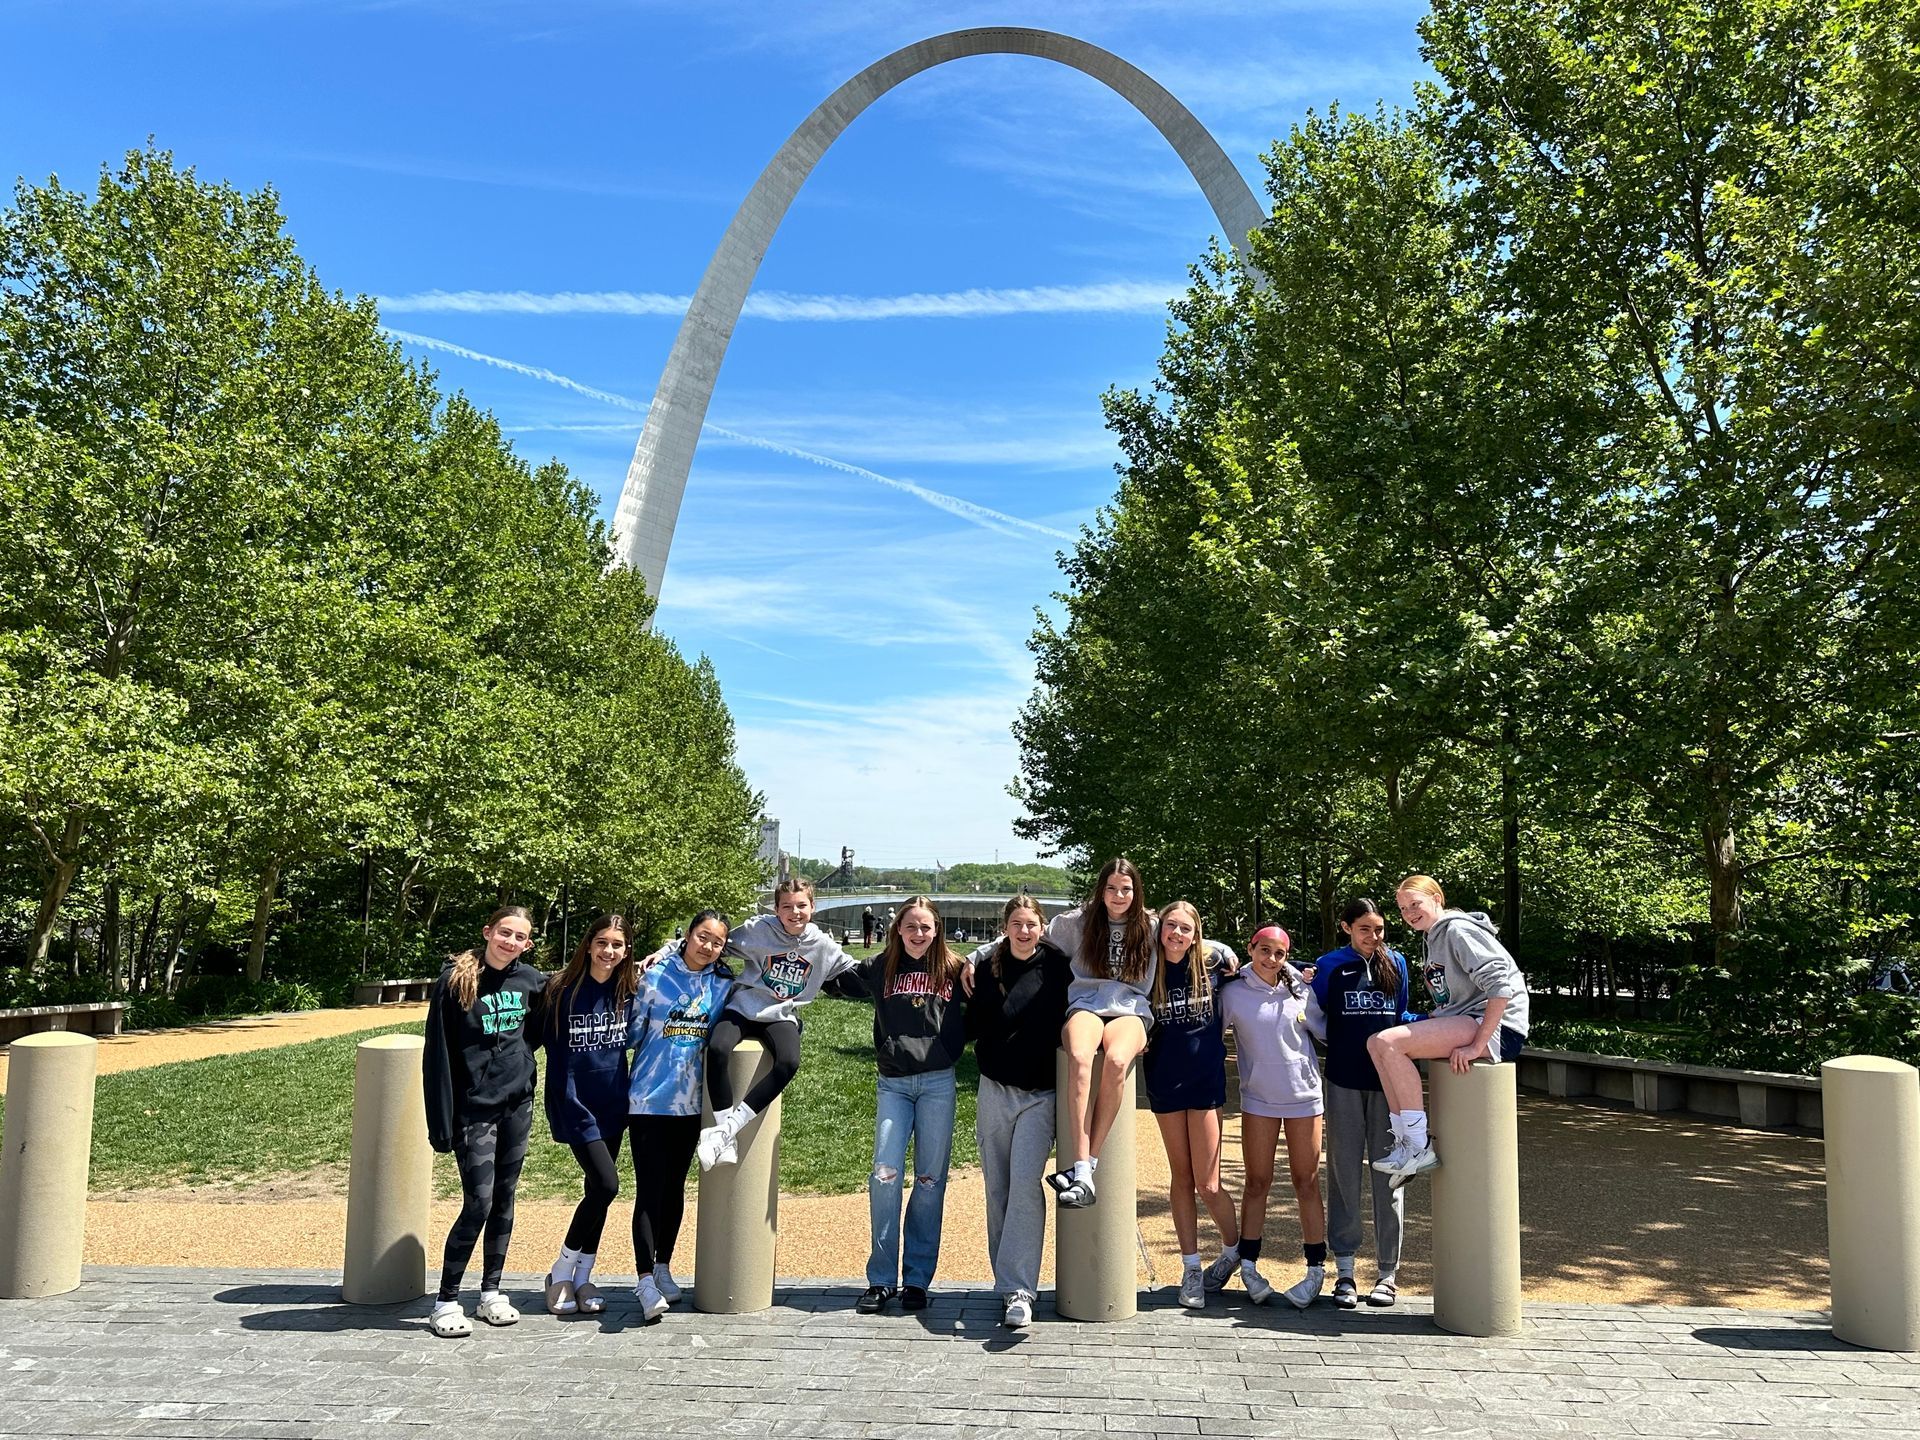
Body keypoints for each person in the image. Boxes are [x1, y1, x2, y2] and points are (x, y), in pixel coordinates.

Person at [832, 897, 968, 1315]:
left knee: (929, 1179)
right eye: (911, 927)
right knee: (885, 1175)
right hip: (893, 1083)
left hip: (938, 1083)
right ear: (898, 929)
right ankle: (880, 1280)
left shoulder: (955, 969)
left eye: (926, 927)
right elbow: (828, 973)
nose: (919, 934)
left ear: (937, 929)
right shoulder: (880, 967)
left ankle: (916, 1280)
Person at [422, 904, 546, 1339]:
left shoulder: (532, 982)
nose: (509, 942)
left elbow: (540, 1029)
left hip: (517, 1105)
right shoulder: (455, 980)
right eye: (504, 933)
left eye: (519, 937)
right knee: (478, 1201)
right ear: (488, 931)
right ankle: (445, 1300)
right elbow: (437, 1051)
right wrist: (440, 1120)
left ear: (527, 945)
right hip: (473, 1110)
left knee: (505, 1198)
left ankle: (491, 1291)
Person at [1367, 875, 1531, 1186]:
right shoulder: (1432, 937)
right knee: (1376, 1043)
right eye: (1403, 909)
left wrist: (1476, 1045)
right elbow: (1456, 997)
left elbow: (1501, 986)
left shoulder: (1457, 930)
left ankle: (1418, 1144)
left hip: (1498, 1027)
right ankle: (1406, 1143)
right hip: (1469, 1019)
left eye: (1415, 904)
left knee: (1390, 1043)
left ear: (1437, 899)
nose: (1409, 913)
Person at [694, 876, 861, 1169]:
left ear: (813, 907)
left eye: (801, 906)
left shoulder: (822, 944)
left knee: (788, 1062)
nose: (794, 913)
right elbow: (713, 942)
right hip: (744, 1006)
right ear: (776, 909)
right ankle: (724, 1134)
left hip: (781, 1014)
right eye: (787, 907)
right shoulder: (757, 930)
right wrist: (667, 952)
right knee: (718, 1049)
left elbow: (857, 972)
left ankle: (728, 1130)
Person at [964, 894, 1073, 1329]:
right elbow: (970, 1021)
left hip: (1040, 1095)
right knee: (998, 1189)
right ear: (1005, 927)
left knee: (1027, 1185)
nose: (1024, 931)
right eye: (1016, 924)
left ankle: (1020, 1290)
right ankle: (1006, 1279)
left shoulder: (1059, 967)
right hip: (994, 1089)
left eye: (1031, 924)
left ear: (1042, 927)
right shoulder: (988, 966)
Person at [626, 909, 734, 1320]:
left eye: (717, 942)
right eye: (702, 937)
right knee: (650, 1190)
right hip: (649, 1100)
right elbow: (634, 1032)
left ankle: (663, 1266)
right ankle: (643, 1280)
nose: (708, 946)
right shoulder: (653, 976)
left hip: (691, 1105)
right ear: (687, 935)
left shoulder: (722, 984)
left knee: (674, 1189)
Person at [1310, 899, 1417, 1307]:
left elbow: (1401, 1014)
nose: (1374, 937)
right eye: (1365, 929)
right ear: (1346, 927)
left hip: (1389, 1086)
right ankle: (1346, 1271)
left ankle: (1387, 1273)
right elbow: (1310, 1013)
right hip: (1342, 1081)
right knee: (1343, 1175)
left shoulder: (1398, 963)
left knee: (1390, 1177)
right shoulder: (1330, 965)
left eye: (1379, 929)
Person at [1141, 901, 1245, 1310]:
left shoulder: (1213, 966)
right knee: (1180, 1178)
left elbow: (1255, 964)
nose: (1177, 935)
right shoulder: (1147, 969)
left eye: (1186, 929)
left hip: (1205, 1082)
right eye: (1171, 926)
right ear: (1160, 929)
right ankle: (1191, 1269)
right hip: (1164, 1081)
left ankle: (1235, 1250)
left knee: (1209, 1182)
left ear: (1195, 934)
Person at [537, 913, 641, 1319]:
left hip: (614, 1102)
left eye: (617, 944)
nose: (609, 951)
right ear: (588, 944)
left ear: (626, 950)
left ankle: (582, 1278)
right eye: (602, 942)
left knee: (597, 1192)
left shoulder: (628, 990)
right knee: (607, 1184)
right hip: (575, 1102)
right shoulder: (560, 989)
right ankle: (560, 1271)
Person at [1218, 925, 1328, 1308]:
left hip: (1305, 1098)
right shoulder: (1232, 993)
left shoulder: (1301, 990)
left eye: (1279, 953)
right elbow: (1208, 1035)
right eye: (1264, 950)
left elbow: (1328, 1031)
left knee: (1306, 1182)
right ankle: (1248, 1265)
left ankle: (1316, 1270)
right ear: (1251, 949)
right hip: (1258, 1100)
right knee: (1256, 1182)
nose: (1271, 959)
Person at [1046, 857, 1157, 1208]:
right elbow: (1029, 933)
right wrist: (973, 958)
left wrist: (1228, 953)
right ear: (1101, 890)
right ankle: (1081, 1167)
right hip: (1087, 1005)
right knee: (1079, 1057)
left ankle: (1084, 1169)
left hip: (1131, 1009)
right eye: (1111, 888)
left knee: (1116, 1059)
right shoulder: (1078, 922)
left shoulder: (1151, 925)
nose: (1119, 895)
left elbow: (1192, 936)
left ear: (1136, 891)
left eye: (1126, 889)